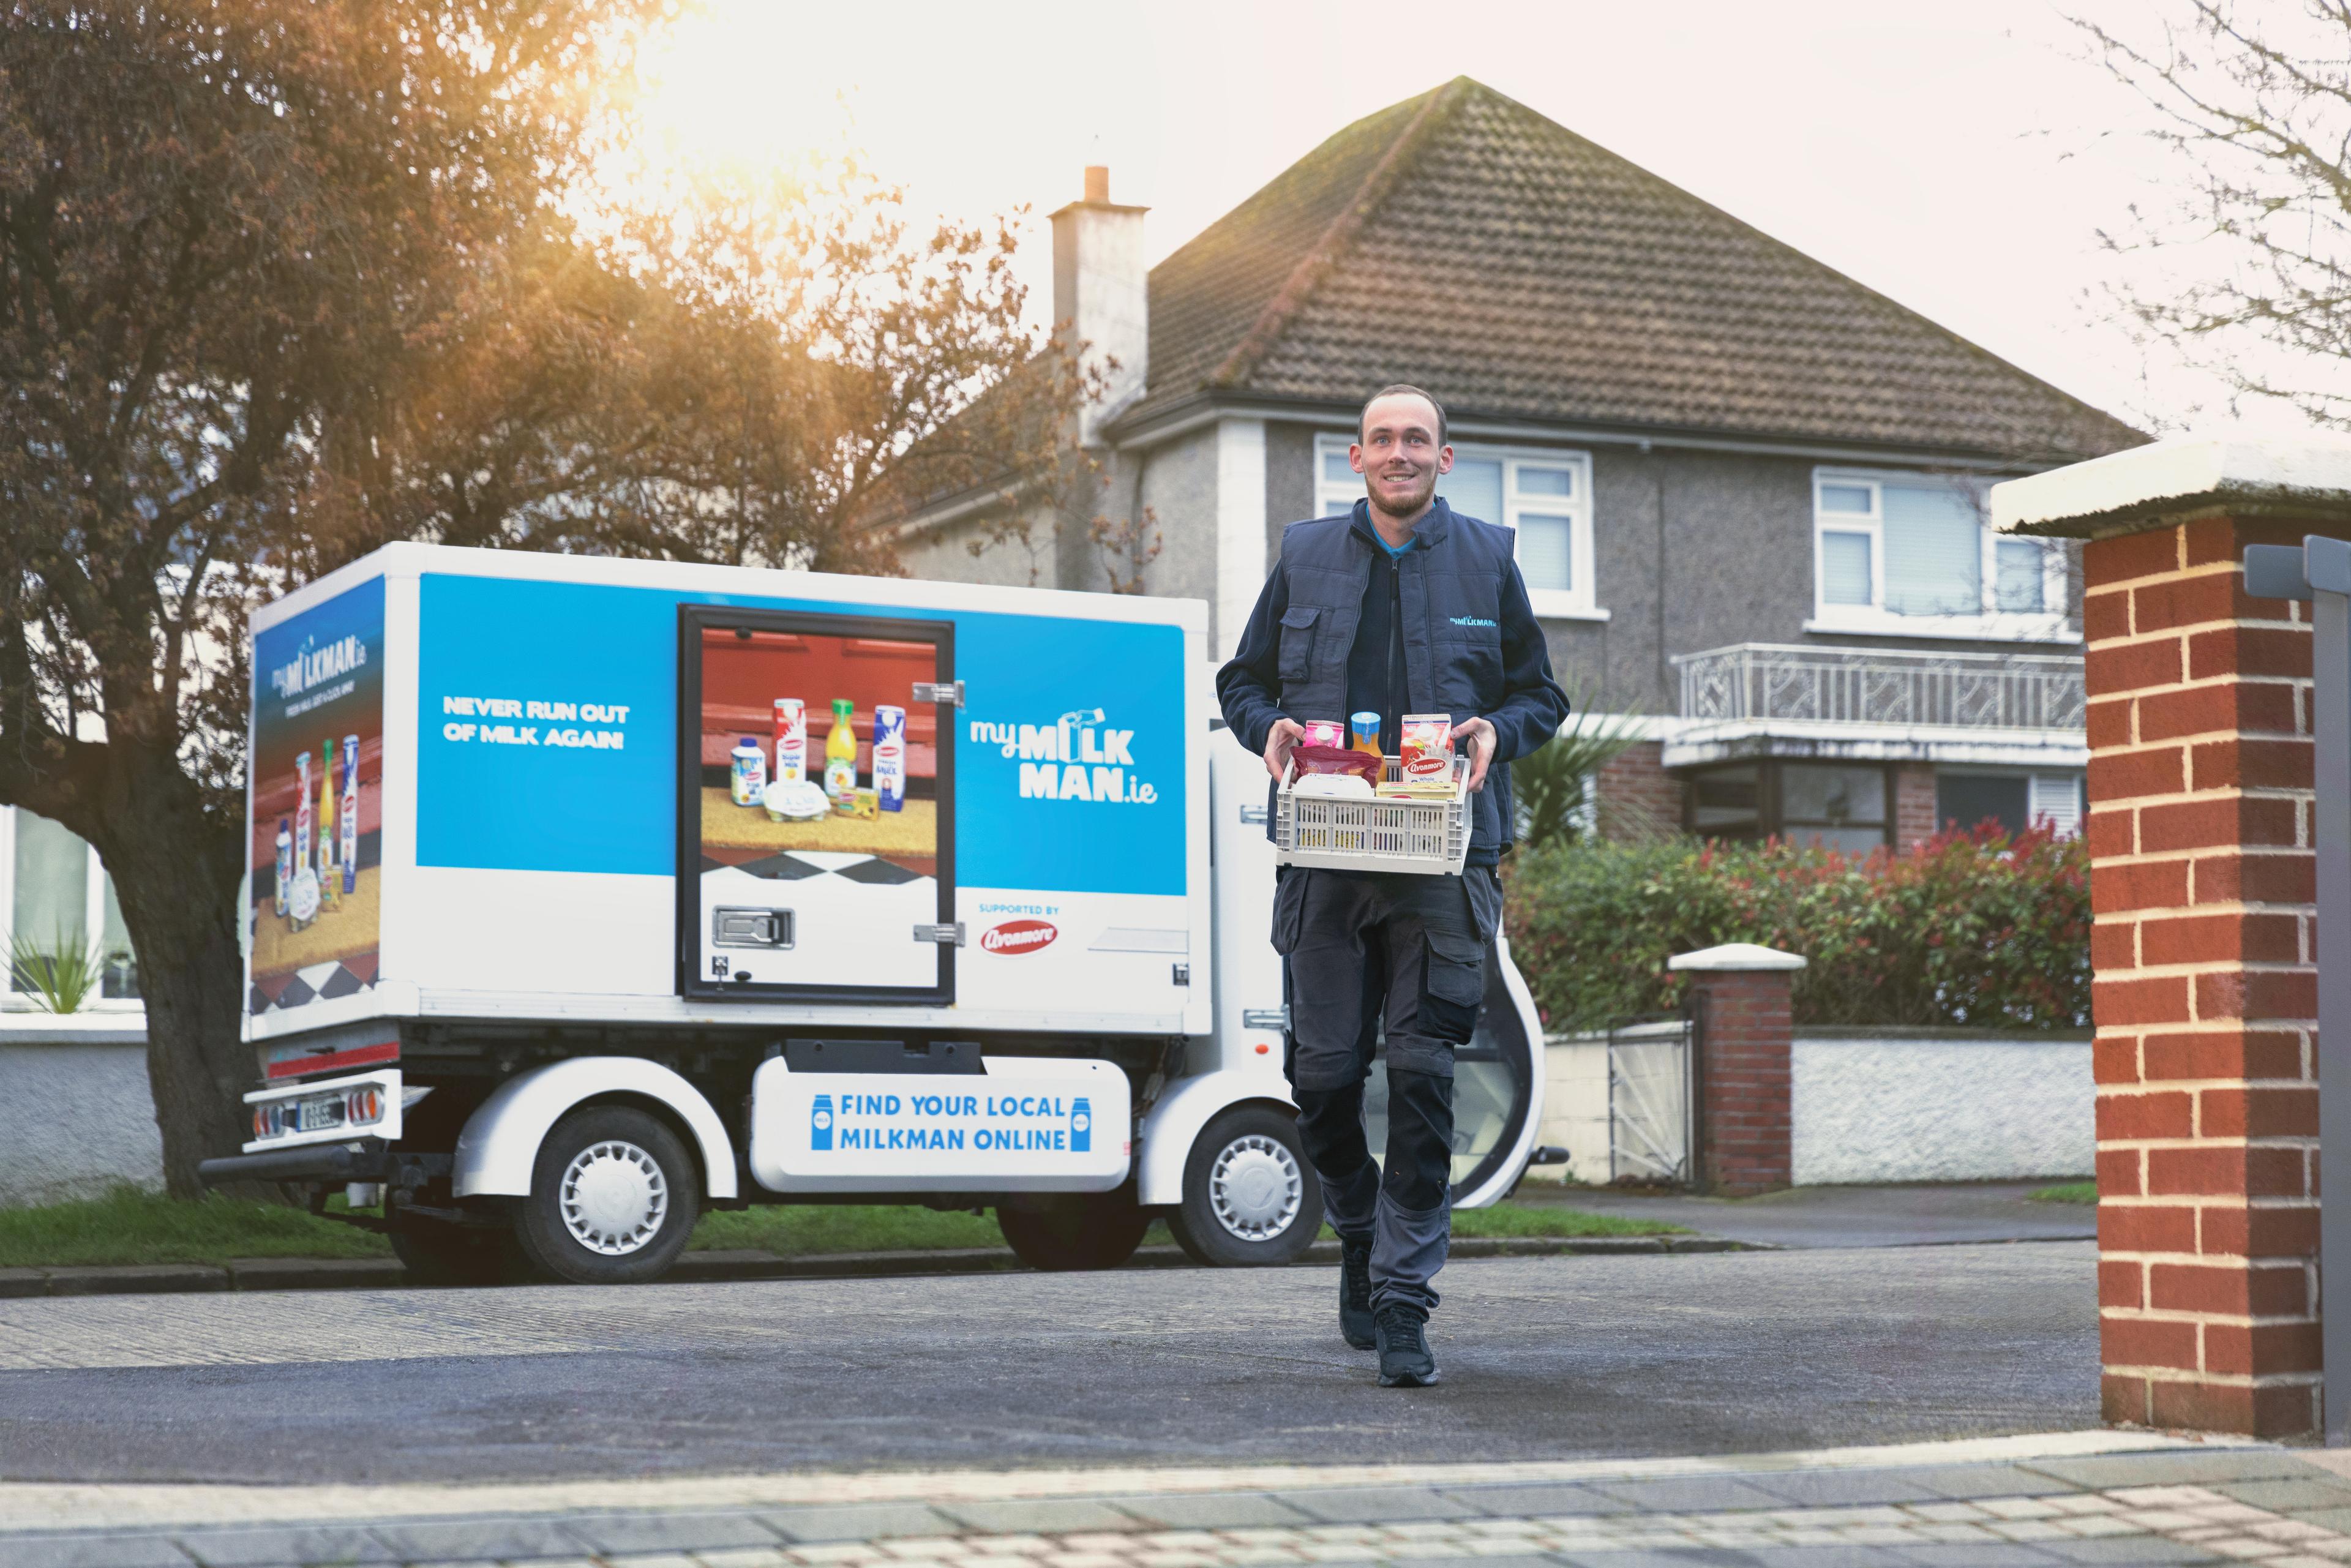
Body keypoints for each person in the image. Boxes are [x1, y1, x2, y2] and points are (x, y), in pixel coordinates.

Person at [1217, 384, 1570, 1387]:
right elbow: (1242, 682)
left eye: (1417, 439)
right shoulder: (1303, 555)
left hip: (1444, 868)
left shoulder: (1489, 559)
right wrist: (1267, 731)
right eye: (1382, 439)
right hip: (1328, 859)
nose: (1399, 453)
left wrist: (1499, 731)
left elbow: (1542, 692)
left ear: (1445, 459)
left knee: (1422, 1082)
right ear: (1358, 458)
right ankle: (1363, 1231)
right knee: (1321, 1080)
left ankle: (1406, 1300)